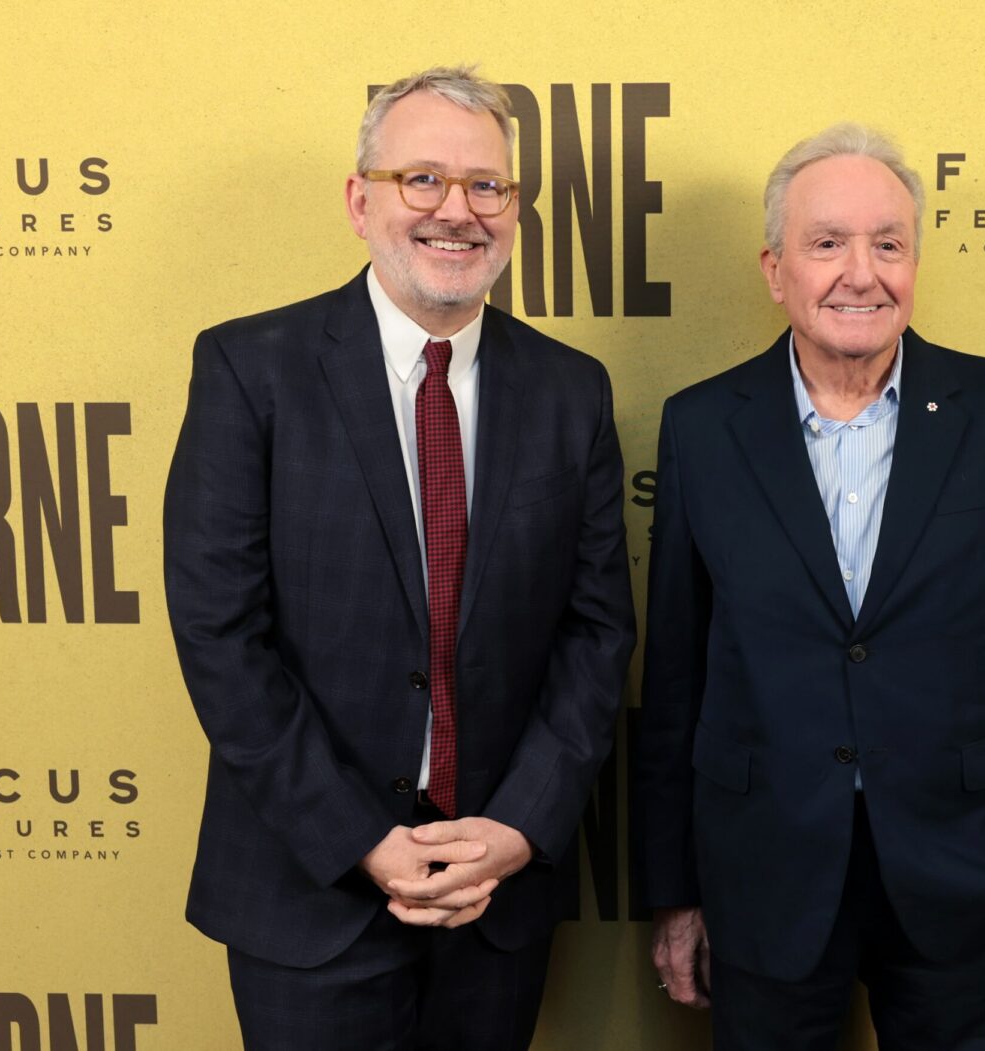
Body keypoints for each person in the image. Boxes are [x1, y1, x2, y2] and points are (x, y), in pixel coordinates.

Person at [164, 65, 635, 1051]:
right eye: (421, 179)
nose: (456, 211)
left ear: (513, 208)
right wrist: (360, 839)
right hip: (310, 891)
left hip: (491, 898)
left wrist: (518, 828)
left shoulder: (571, 393)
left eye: (486, 186)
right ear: (359, 200)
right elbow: (221, 635)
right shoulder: (252, 370)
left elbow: (596, 637)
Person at [635, 124, 985, 1050]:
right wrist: (675, 889)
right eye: (827, 243)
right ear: (775, 268)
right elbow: (675, 673)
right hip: (764, 872)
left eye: (889, 243)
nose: (861, 273)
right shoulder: (705, 426)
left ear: (916, 261)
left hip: (960, 868)